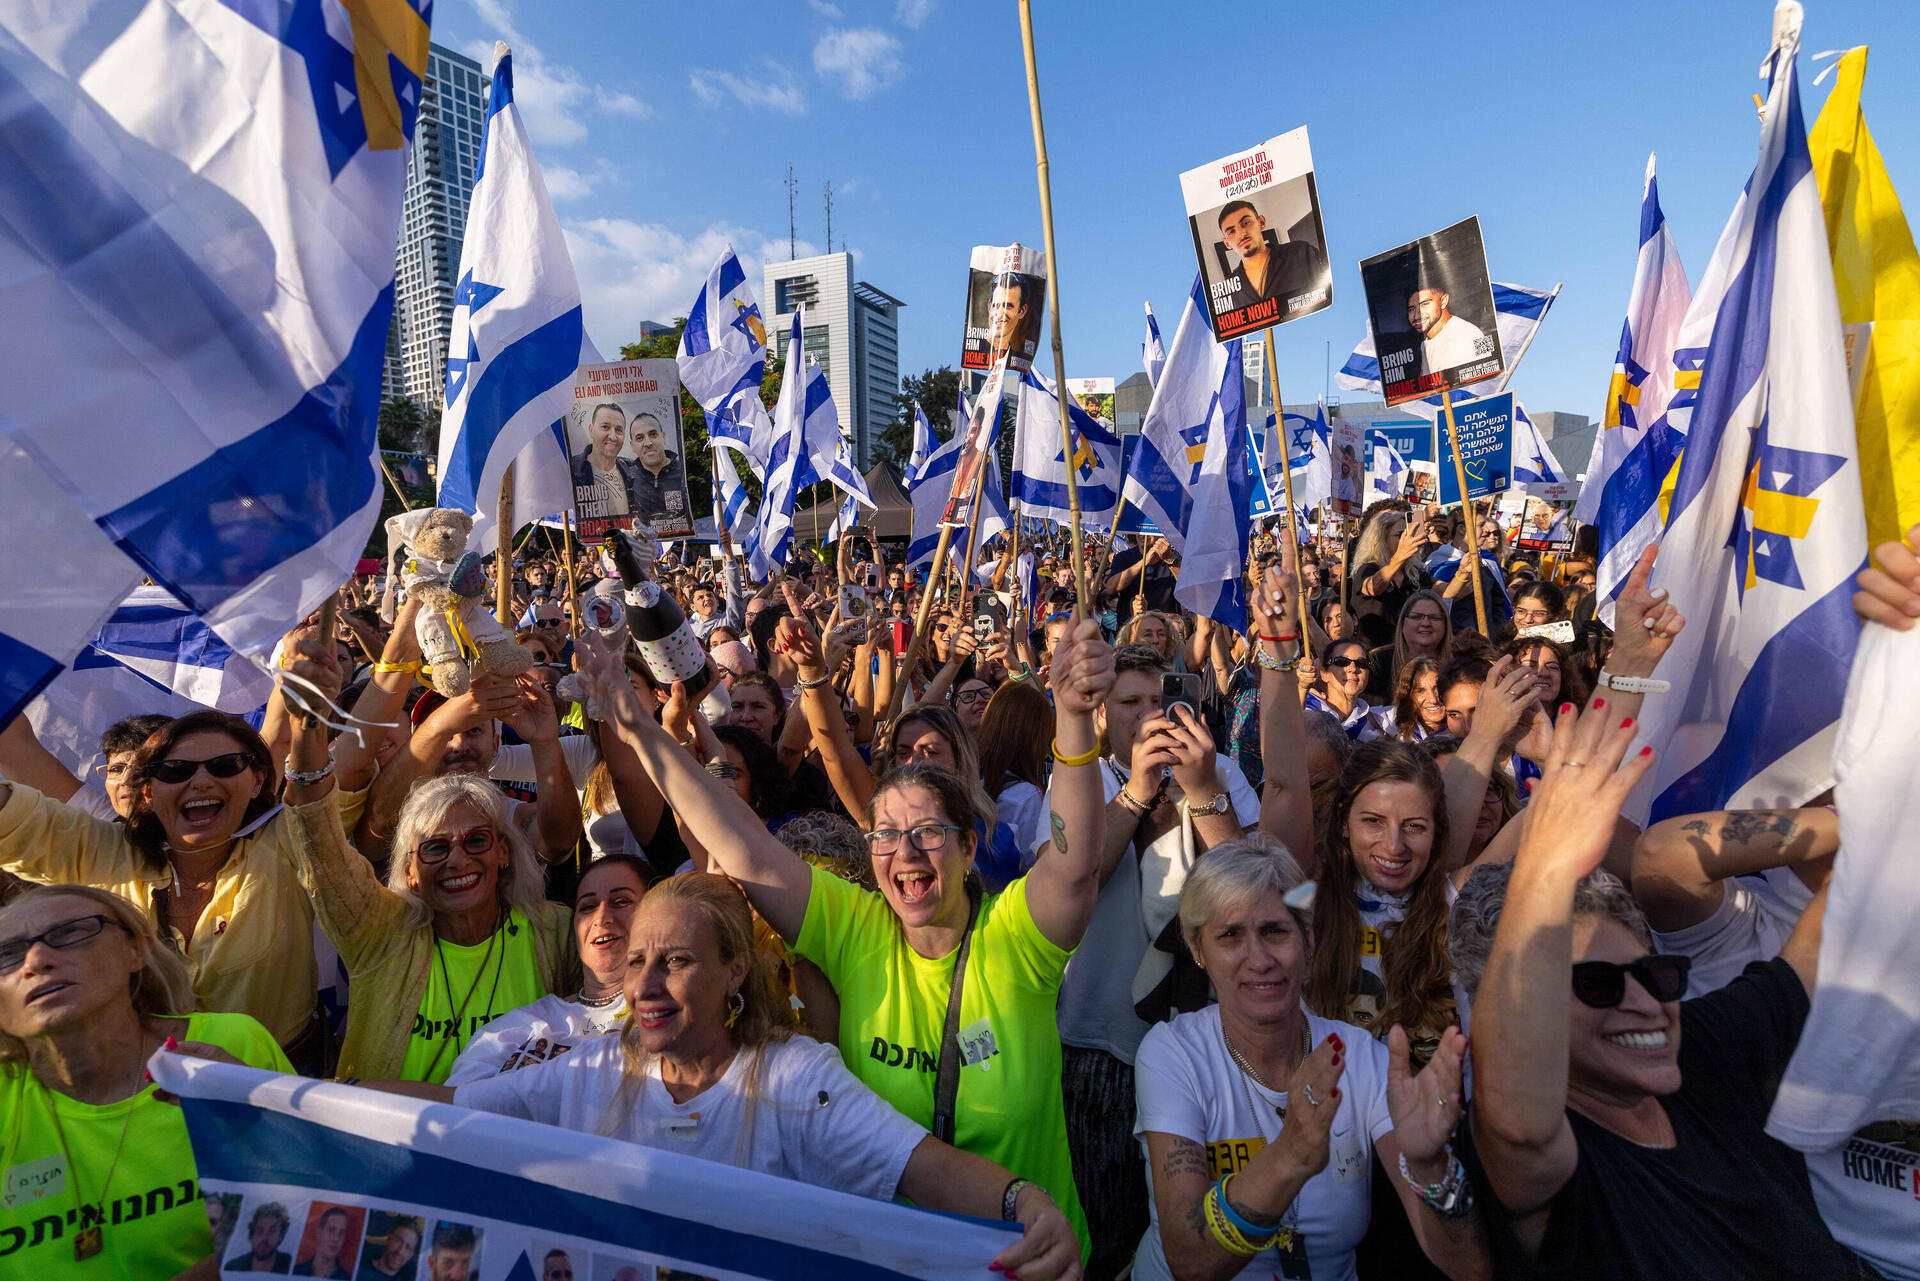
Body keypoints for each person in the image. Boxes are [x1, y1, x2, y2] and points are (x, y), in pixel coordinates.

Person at [575, 616, 1114, 1258]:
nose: (905, 852)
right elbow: (737, 840)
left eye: (929, 833)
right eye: (885, 834)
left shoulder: (1015, 935)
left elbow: (1076, 862)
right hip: (895, 1263)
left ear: (970, 849)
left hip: (1032, 1259)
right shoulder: (856, 927)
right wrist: (637, 729)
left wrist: (1075, 720)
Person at [369, 874, 1083, 1281]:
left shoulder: (795, 1079)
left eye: (675, 961)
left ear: (733, 971)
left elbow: (921, 1168)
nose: (644, 984)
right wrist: (283, 1091)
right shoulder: (591, 1067)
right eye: (639, 959)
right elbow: (451, 1106)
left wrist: (1024, 1202)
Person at [1449, 706, 1860, 1280]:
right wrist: (1545, 864)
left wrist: (1871, 816)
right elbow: (1517, 1124)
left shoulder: (1705, 1051)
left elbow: (1841, 905)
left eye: (1652, 974)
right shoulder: (1550, 1164)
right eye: (1597, 985)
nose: (1642, 1002)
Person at [1132, 839, 1485, 1281]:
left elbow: (1469, 1268)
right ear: (1198, 950)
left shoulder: (1356, 1056)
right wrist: (1291, 1155)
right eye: (1230, 936)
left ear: (1309, 939)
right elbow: (1191, 1262)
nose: (1259, 960)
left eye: (1276, 931)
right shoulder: (1172, 1054)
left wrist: (1432, 1166)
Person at [0, 696, 361, 1064]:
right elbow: (12, 819)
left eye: (225, 766)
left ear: (257, 782)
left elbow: (342, 771)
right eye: (175, 770)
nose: (201, 781)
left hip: (281, 1078)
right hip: (138, 1092)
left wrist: (389, 668)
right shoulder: (104, 852)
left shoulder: (284, 844)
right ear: (148, 792)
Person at [1058, 642, 1260, 1279]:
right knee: (1107, 1227)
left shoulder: (1221, 773)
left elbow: (1251, 890)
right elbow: (1073, 884)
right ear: (1100, 715)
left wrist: (1201, 793)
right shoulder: (1077, 780)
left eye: (1162, 700)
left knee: (1195, 1227)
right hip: (1100, 1042)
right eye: (1130, 703)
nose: (1152, 716)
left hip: (1209, 1044)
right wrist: (1138, 793)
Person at [0, 884, 292, 1278]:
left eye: (71, 932)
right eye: (8, 954)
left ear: (135, 950)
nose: (35, 960)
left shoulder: (228, 1045)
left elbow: (311, 1204)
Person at [290, 769, 578, 1082]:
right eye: (435, 847)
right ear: (409, 871)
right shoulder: (383, 937)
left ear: (502, 852)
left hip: (516, 1130)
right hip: (395, 1130)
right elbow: (323, 856)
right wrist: (308, 743)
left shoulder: (554, 934)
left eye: (476, 840)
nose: (457, 860)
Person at [446, 856, 646, 1084]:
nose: (601, 918)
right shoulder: (516, 1027)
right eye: (587, 906)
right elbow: (453, 1106)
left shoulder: (672, 1012)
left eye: (621, 902)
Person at [1214, 199, 1327, 311]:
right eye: (1231, 232)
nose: (1241, 234)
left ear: (1261, 222)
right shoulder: (1229, 289)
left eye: (1246, 223)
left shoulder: (1301, 253)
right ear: (1227, 243)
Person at [1366, 590, 1451, 703]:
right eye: (1416, 617)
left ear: (1445, 624)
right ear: (1402, 623)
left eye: (1434, 617)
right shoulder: (1377, 662)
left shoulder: (1459, 662)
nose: (1426, 623)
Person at [570, 402, 639, 522]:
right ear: (591, 430)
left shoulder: (634, 470)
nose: (613, 436)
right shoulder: (571, 469)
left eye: (618, 430)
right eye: (605, 427)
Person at [1304, 639, 1378, 742]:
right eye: (1341, 662)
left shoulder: (1367, 725)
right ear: (1324, 674)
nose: (1353, 668)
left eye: (1361, 663)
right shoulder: (1306, 709)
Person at [1406, 284, 1489, 376]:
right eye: (1412, 309)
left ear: (1443, 301)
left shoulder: (1469, 333)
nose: (1417, 315)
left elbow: (1483, 381)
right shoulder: (1425, 343)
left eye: (1425, 304)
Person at [629, 412, 688, 529]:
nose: (648, 443)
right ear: (632, 446)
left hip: (679, 542)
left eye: (653, 435)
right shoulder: (626, 478)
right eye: (640, 438)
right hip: (643, 544)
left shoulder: (684, 473)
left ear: (663, 437)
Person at [229, 1202, 295, 1273]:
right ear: (251, 1235)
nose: (264, 1238)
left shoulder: (291, 1265)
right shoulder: (233, 1267)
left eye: (272, 1231)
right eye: (260, 1230)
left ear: (280, 1237)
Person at [293, 1206, 354, 1277]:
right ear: (319, 1233)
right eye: (331, 1230)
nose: (336, 1239)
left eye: (341, 1233)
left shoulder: (346, 1278)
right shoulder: (296, 1271)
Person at [354, 1220, 420, 1281]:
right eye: (398, 1241)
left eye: (407, 1247)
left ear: (410, 1255)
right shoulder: (357, 1268)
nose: (400, 1251)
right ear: (389, 1239)